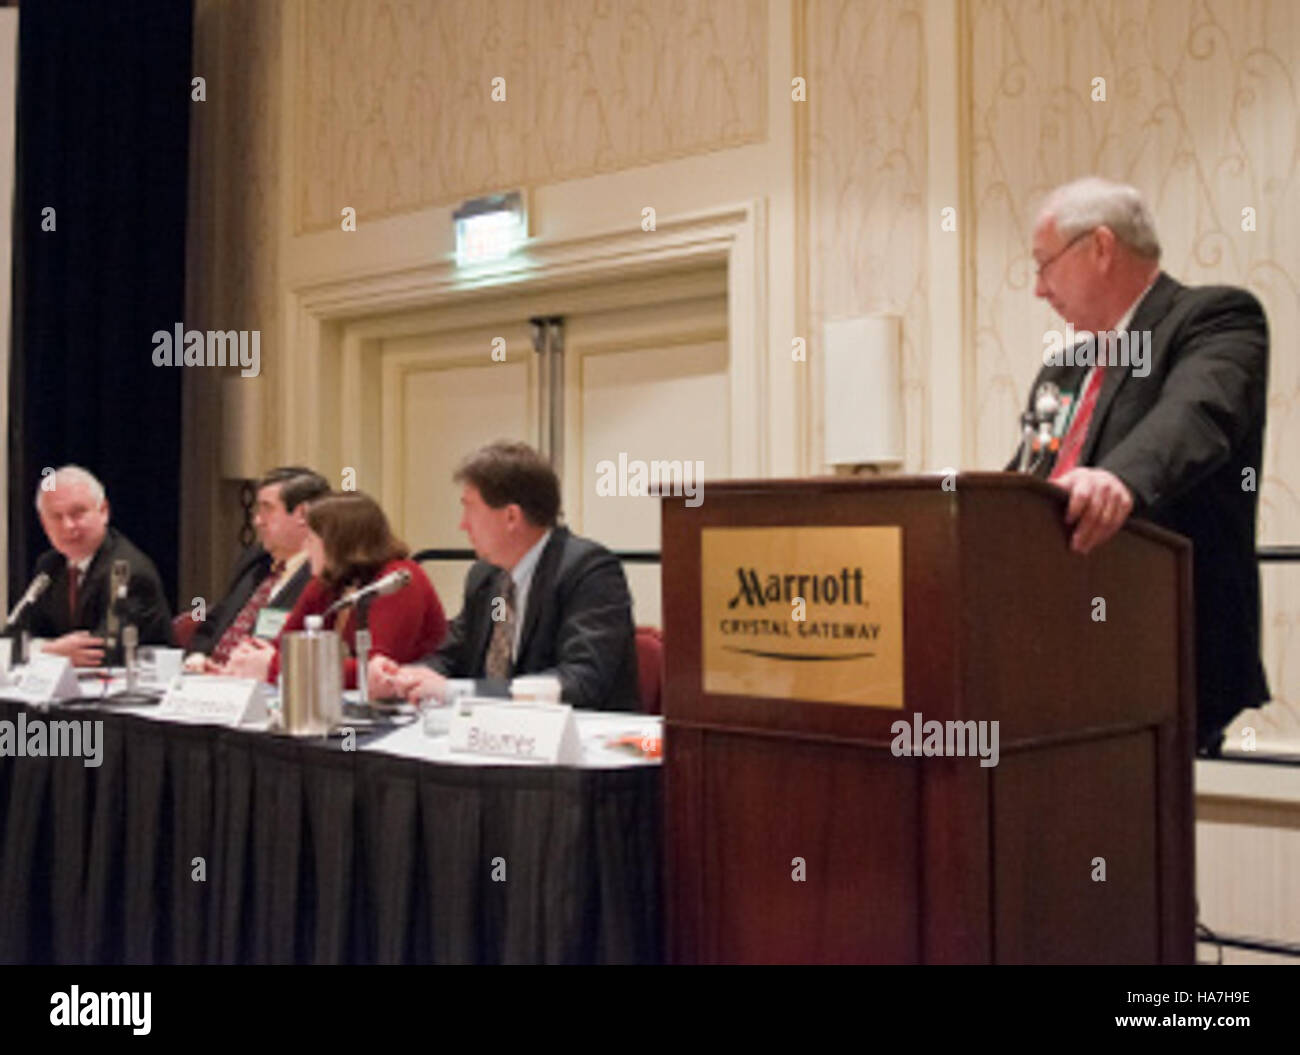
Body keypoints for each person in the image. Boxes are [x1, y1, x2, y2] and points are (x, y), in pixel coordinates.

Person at [1010, 177, 1269, 754]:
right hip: (1049, 661)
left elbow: (1195, 417)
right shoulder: (1065, 370)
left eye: (1044, 265)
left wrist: (1117, 480)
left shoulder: (1215, 321)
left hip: (1163, 653)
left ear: (1100, 248)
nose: (1038, 290)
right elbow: (1025, 482)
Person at [371, 441, 640, 711]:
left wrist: (456, 691)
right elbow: (453, 656)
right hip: (494, 738)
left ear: (511, 517)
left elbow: (580, 681)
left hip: (581, 741)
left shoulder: (588, 571)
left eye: (469, 508)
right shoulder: (487, 576)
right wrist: (404, 677)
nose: (462, 524)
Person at [222, 491, 446, 692]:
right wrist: (241, 662)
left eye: (311, 539)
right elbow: (285, 645)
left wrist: (274, 666)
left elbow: (374, 671)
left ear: (337, 544)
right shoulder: (329, 581)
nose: (305, 548)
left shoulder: (398, 581)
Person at [20, 465, 172, 665]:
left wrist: (44, 652)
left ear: (104, 511)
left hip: (130, 689)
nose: (68, 526)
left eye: (77, 513)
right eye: (57, 517)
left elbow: (105, 650)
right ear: (43, 523)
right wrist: (48, 651)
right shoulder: (49, 566)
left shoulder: (127, 570)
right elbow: (13, 636)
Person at [183, 466, 329, 671]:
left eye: (267, 509)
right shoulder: (254, 561)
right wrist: (199, 656)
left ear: (303, 515)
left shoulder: (321, 576)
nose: (257, 521)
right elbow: (212, 624)